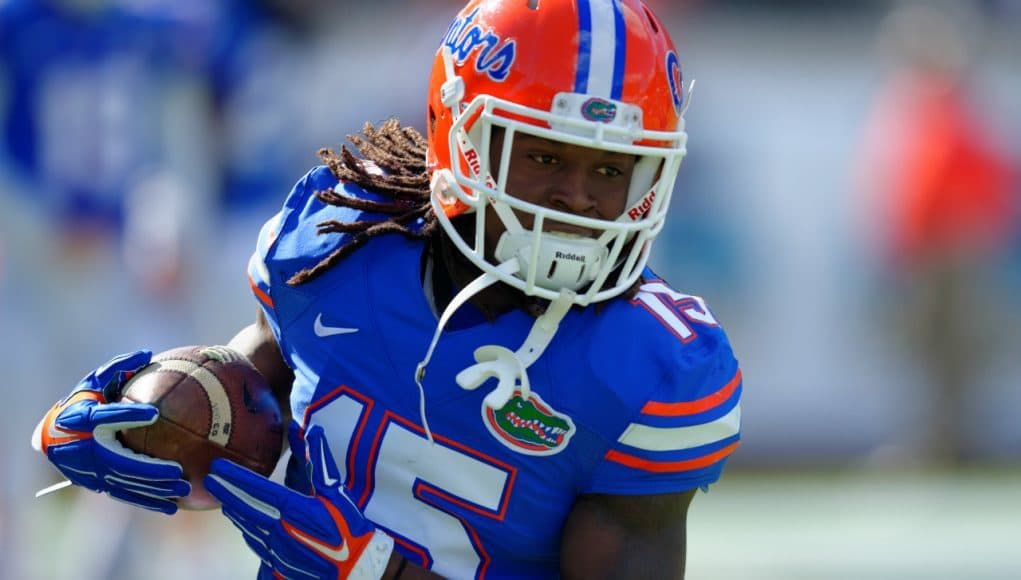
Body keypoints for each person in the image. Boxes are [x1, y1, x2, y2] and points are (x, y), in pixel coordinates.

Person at [32, 1, 743, 578]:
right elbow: (258, 382)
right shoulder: (343, 244)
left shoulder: (653, 364)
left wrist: (382, 574)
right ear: (459, 137)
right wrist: (144, 413)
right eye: (544, 156)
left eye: (611, 171)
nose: (577, 199)